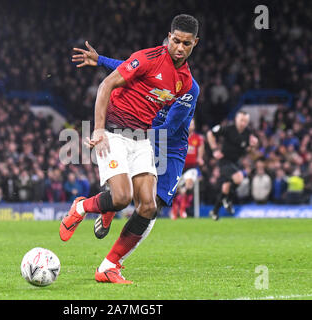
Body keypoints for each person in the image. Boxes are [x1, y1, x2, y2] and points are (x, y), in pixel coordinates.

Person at [60, 14, 199, 284]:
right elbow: (107, 84)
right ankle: (82, 207)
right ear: (169, 37)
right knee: (123, 198)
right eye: (176, 41)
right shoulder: (148, 58)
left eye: (187, 43)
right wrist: (98, 129)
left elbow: (168, 120)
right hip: (115, 132)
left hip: (144, 140)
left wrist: (102, 60)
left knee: (148, 207)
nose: (180, 48)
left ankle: (109, 266)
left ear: (195, 43)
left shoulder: (186, 83)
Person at [206, 111, 259, 220]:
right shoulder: (228, 128)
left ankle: (214, 212)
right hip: (224, 161)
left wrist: (253, 146)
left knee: (226, 187)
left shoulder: (248, 133)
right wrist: (215, 149)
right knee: (239, 178)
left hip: (235, 162)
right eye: (241, 120)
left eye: (245, 121)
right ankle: (228, 200)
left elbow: (249, 151)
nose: (243, 123)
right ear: (236, 119)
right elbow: (210, 134)